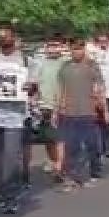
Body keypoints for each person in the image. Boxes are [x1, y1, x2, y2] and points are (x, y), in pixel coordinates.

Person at [0, 20, 33, 213]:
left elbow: (34, 84)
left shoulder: (25, 59)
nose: (2, 38)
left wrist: (30, 87)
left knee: (11, 159)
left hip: (15, 117)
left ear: (13, 36)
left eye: (5, 35)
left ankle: (10, 196)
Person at [54, 38, 106, 190]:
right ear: (70, 49)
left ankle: (93, 172)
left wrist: (104, 109)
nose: (77, 51)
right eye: (74, 49)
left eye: (79, 48)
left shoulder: (92, 66)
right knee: (72, 146)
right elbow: (60, 90)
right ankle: (72, 178)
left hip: (88, 112)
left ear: (84, 49)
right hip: (69, 112)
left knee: (91, 145)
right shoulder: (65, 67)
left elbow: (100, 88)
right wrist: (57, 110)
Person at [35, 36, 67, 173]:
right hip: (43, 106)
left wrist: (59, 106)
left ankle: (60, 165)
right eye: (50, 45)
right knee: (48, 138)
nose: (53, 48)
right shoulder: (39, 63)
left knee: (60, 138)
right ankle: (53, 160)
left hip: (60, 106)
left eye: (56, 45)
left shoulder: (66, 63)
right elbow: (35, 83)